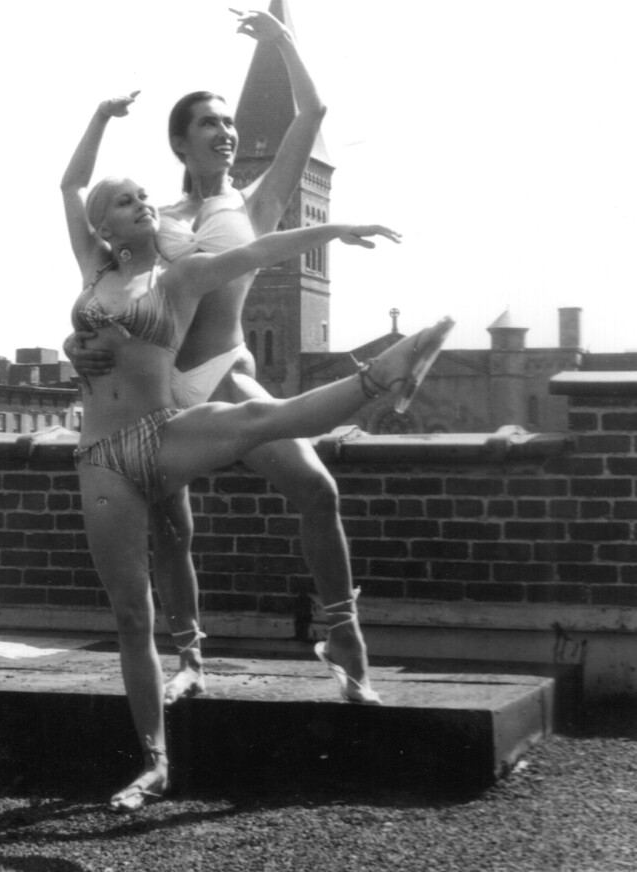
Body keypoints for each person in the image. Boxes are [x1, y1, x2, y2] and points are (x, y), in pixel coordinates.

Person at [61, 88, 453, 811]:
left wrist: (339, 227)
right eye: (125, 200)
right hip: (107, 449)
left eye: (143, 196)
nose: (140, 204)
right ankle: (159, 747)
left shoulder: (184, 267)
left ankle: (381, 374)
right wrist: (101, 117)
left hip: (163, 422)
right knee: (142, 593)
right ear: (104, 223)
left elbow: (260, 248)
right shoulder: (103, 262)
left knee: (263, 423)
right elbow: (70, 187)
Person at [66, 8, 411, 707]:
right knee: (171, 531)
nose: (225, 132)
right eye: (210, 124)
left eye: (229, 123)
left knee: (317, 489)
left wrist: (281, 41)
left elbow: (312, 113)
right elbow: (112, 288)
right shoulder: (155, 216)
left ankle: (343, 635)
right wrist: (78, 344)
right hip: (162, 390)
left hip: (225, 372)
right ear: (180, 143)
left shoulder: (256, 203)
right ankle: (190, 660)